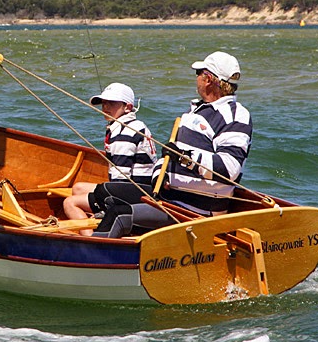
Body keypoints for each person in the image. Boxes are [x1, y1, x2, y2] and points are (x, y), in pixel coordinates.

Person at [93, 51, 253, 238]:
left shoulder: (234, 115)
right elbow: (170, 156)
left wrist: (186, 157)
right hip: (169, 198)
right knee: (104, 193)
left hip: (195, 210)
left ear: (208, 79)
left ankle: (90, 260)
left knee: (118, 214)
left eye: (198, 73)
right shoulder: (196, 111)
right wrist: (159, 174)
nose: (197, 79)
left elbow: (229, 169)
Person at [62, 82, 157, 235]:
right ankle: (94, 223)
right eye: (104, 103)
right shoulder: (134, 125)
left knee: (69, 203)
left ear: (127, 107)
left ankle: (92, 239)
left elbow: (121, 180)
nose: (105, 107)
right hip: (143, 189)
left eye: (111, 103)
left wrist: (107, 205)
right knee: (78, 188)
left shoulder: (124, 133)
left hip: (135, 194)